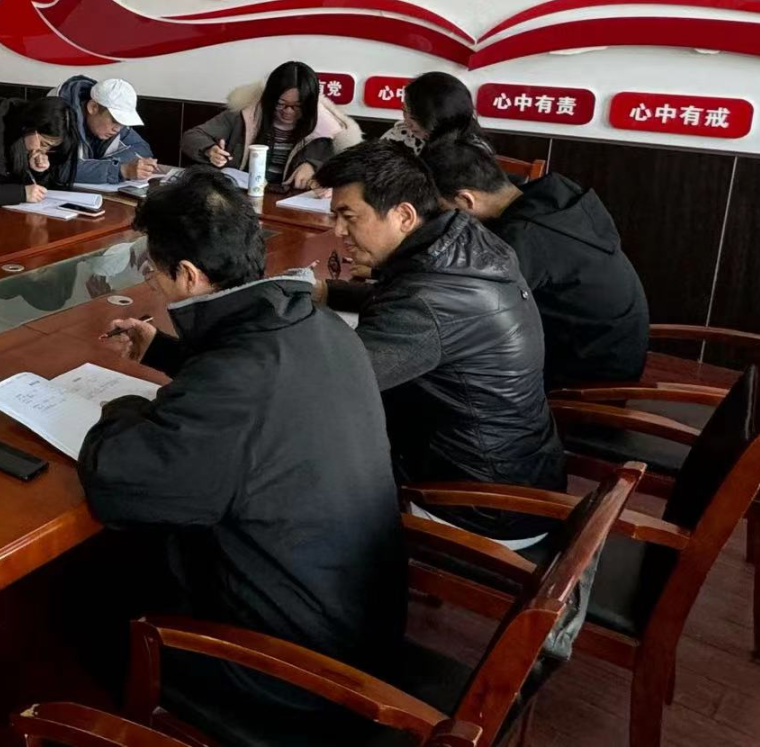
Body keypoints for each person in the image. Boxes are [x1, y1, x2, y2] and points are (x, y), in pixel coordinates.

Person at [80, 167, 404, 736]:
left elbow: (117, 479)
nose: (153, 286)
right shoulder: (318, 324)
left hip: (289, 676)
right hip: (358, 624)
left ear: (187, 274)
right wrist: (169, 355)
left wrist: (122, 408)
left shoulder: (237, 382)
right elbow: (250, 382)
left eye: (153, 273)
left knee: (86, 595)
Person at [313, 142, 566, 546]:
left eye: (349, 217)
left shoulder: (427, 300)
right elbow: (421, 302)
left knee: (299, 456)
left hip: (476, 505)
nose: (339, 231)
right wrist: (330, 292)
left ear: (404, 215)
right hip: (519, 473)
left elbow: (335, 384)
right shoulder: (464, 242)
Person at [422, 130, 649, 387]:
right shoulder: (556, 199)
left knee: (437, 371)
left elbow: (468, 310)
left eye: (442, 209)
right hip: (617, 348)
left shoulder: (522, 239)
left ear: (466, 199)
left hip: (588, 378)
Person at [181, 61, 362, 189]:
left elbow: (349, 171)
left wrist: (315, 167)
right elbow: (191, 137)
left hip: (292, 208)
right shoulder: (245, 113)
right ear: (269, 98)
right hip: (240, 199)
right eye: (280, 104)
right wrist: (209, 150)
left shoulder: (329, 130)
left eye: (297, 106)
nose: (288, 111)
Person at [0, 96, 81, 207]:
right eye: (43, 144)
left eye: (50, 148)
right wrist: (22, 193)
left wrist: (38, 173)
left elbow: (42, 193)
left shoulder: (25, 143)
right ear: (31, 127)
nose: (44, 151)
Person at [54, 74, 159, 183]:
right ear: (93, 107)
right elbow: (57, 169)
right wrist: (121, 170)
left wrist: (105, 166)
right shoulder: (58, 117)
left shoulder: (111, 125)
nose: (117, 129)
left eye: (123, 123)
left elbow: (142, 149)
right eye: (115, 120)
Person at [383, 71, 486, 152]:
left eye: (415, 117)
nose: (407, 123)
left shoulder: (475, 151)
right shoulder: (398, 135)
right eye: (405, 111)